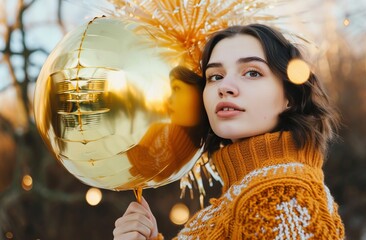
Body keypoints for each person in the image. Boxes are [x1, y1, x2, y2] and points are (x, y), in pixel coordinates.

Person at [113, 23, 345, 239]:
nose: (224, 87)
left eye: (252, 72)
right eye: (215, 76)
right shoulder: (247, 191)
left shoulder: (283, 196)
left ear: (290, 97)